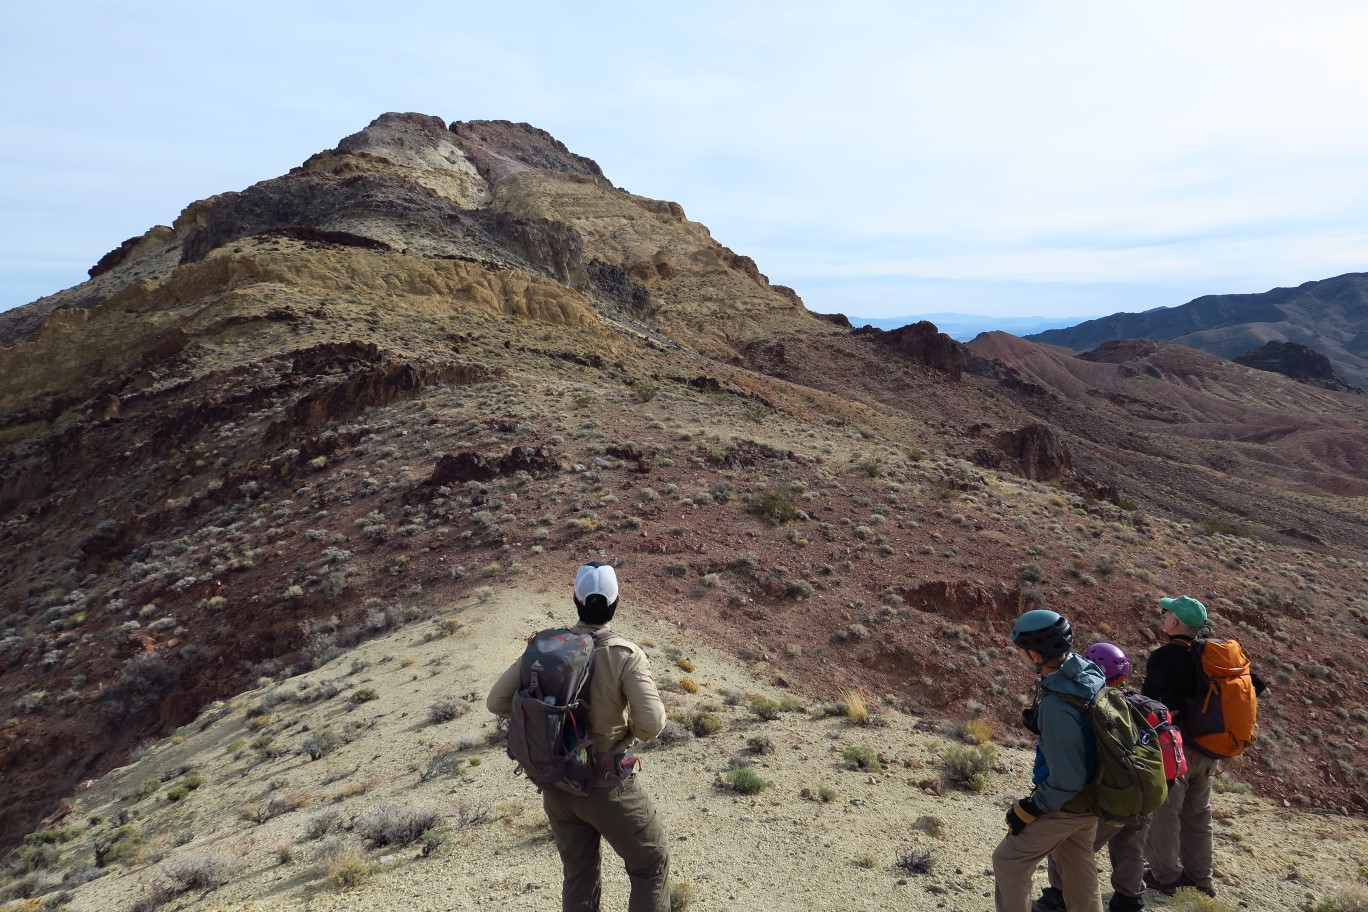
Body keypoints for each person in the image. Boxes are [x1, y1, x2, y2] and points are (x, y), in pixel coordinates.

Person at [487, 562, 669, 912]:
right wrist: (623, 735)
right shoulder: (624, 655)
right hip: (608, 786)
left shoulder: (546, 649)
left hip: (558, 786)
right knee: (650, 864)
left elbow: (496, 701)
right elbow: (652, 723)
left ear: (575, 599)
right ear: (617, 603)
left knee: (579, 874)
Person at [1141, 595, 1263, 898]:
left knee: (1165, 813)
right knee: (1198, 815)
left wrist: (1175, 710)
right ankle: (1201, 880)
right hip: (1211, 749)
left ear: (1174, 622)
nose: (1164, 616)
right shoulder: (1216, 655)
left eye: (1166, 613)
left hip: (1176, 748)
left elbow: (1149, 702)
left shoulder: (1164, 655)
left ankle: (1166, 876)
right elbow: (1257, 686)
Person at [993, 609, 1106, 912]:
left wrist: (1031, 807)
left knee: (1009, 859)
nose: (1020, 656)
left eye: (1020, 651)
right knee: (1076, 861)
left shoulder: (1057, 705)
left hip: (1069, 802)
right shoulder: (1087, 671)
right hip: (1095, 795)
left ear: (1034, 653)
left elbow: (1067, 779)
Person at [1033, 643, 1150, 912]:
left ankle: (1059, 897)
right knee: (1130, 845)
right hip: (1145, 793)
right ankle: (1129, 899)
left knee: (1071, 845)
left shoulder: (1100, 707)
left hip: (1112, 795)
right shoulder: (1135, 703)